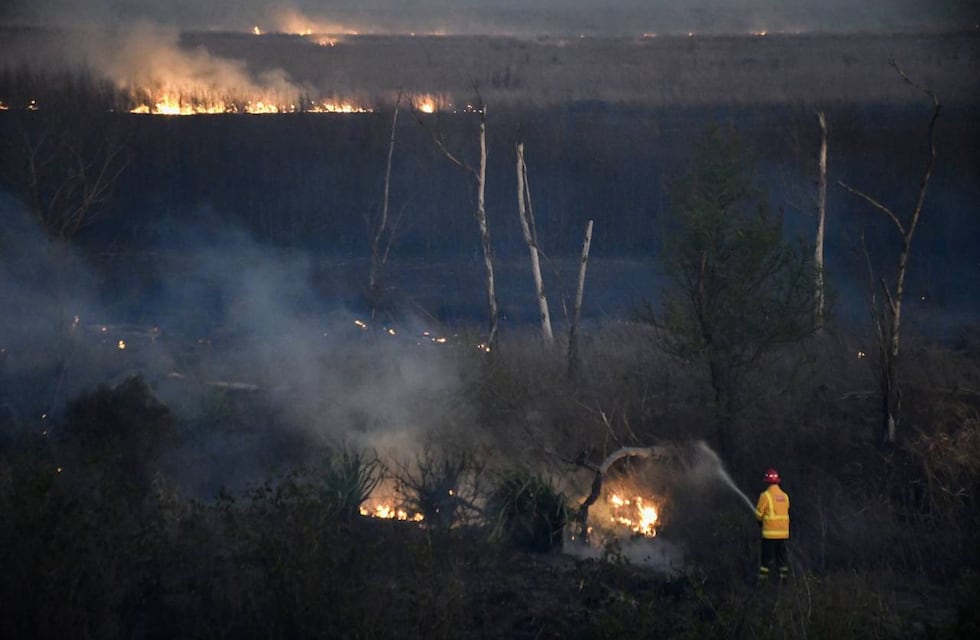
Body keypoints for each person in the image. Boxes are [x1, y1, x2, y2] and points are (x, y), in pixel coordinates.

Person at [755, 468, 790, 581]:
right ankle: (784, 582)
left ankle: (763, 584)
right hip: (783, 535)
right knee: (782, 561)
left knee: (766, 562)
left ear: (767, 482)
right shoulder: (785, 496)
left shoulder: (765, 496)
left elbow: (759, 514)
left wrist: (760, 521)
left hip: (769, 535)